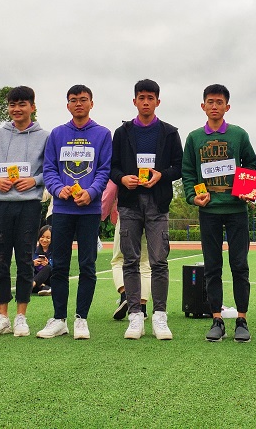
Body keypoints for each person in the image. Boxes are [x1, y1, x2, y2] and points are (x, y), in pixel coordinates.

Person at [181, 84, 256, 343]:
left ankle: (242, 320)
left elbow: (250, 164)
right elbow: (188, 172)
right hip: (209, 211)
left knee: (240, 266)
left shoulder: (239, 134)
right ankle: (216, 319)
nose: (215, 106)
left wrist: (247, 190)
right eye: (210, 102)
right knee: (212, 267)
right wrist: (193, 197)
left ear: (227, 106)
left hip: (236, 210)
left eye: (219, 102)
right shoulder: (194, 138)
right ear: (203, 106)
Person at [110, 79, 183, 340]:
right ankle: (135, 316)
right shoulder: (122, 133)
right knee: (130, 261)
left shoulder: (170, 133)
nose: (146, 102)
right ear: (134, 101)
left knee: (159, 261)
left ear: (158, 102)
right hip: (129, 204)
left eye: (150, 98)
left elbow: (179, 167)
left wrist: (161, 175)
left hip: (157, 204)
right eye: (141, 97)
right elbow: (112, 167)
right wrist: (123, 179)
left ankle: (160, 316)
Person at [38, 84, 112, 340]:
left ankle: (81, 319)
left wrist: (91, 192)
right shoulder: (57, 134)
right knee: (59, 265)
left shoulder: (103, 134)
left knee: (87, 266)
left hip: (89, 211)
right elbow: (49, 169)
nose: (78, 103)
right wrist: (59, 189)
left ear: (92, 103)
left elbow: (104, 170)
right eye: (73, 100)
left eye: (83, 99)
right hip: (62, 210)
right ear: (67, 104)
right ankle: (59, 319)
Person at [0, 85, 49, 338]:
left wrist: (35, 180)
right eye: (12, 105)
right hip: (0, 206)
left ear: (32, 106)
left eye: (22, 104)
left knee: (25, 260)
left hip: (29, 205)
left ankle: (21, 316)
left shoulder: (45, 137)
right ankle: (2, 316)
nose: (16, 109)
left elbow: (51, 170)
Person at [102, 179, 152, 320]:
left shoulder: (123, 164)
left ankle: (125, 295)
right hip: (151, 211)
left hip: (128, 212)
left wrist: (101, 214)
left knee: (119, 259)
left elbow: (111, 189)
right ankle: (142, 307)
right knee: (144, 262)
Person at [32, 225, 53, 295]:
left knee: (48, 268)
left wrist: (48, 263)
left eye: (48, 238)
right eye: (42, 237)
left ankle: (31, 285)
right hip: (36, 277)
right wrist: (33, 263)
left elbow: (57, 268)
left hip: (49, 278)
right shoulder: (34, 250)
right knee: (27, 269)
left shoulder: (55, 251)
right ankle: (44, 287)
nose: (44, 240)